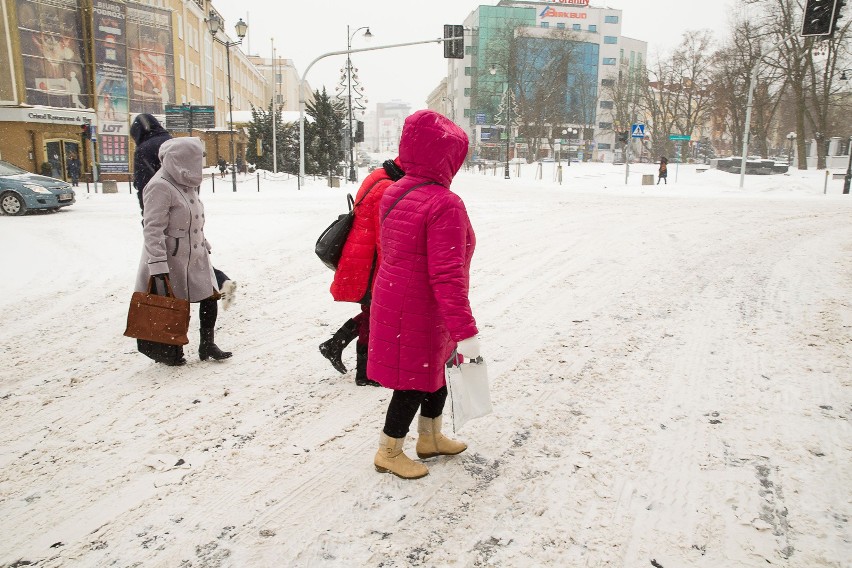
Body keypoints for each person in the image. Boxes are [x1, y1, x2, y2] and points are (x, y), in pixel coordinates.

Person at [368, 110, 480, 479]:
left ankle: (430, 438)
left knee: (435, 373)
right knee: (413, 381)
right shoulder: (445, 203)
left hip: (399, 296)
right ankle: (389, 450)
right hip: (423, 303)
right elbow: (446, 273)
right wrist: (465, 328)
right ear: (448, 156)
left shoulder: (396, 189)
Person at [134, 137, 232, 366]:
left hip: (195, 253)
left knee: (210, 297)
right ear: (180, 159)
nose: (199, 164)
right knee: (174, 306)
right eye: (195, 159)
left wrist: (203, 242)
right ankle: (171, 349)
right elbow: (153, 229)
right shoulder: (159, 185)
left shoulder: (185, 181)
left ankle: (207, 344)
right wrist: (158, 265)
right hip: (172, 257)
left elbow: (192, 219)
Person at [131, 114, 238, 309]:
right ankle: (220, 283)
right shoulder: (171, 142)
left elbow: (142, 185)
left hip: (162, 209)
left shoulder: (145, 152)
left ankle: (167, 323)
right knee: (195, 267)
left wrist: (146, 213)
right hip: (185, 208)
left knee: (170, 270)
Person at [319, 158, 405, 386]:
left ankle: (335, 345)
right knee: (374, 314)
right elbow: (381, 234)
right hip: (369, 259)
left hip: (360, 253)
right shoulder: (387, 187)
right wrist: (391, 265)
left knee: (372, 311)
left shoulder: (378, 175)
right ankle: (364, 372)